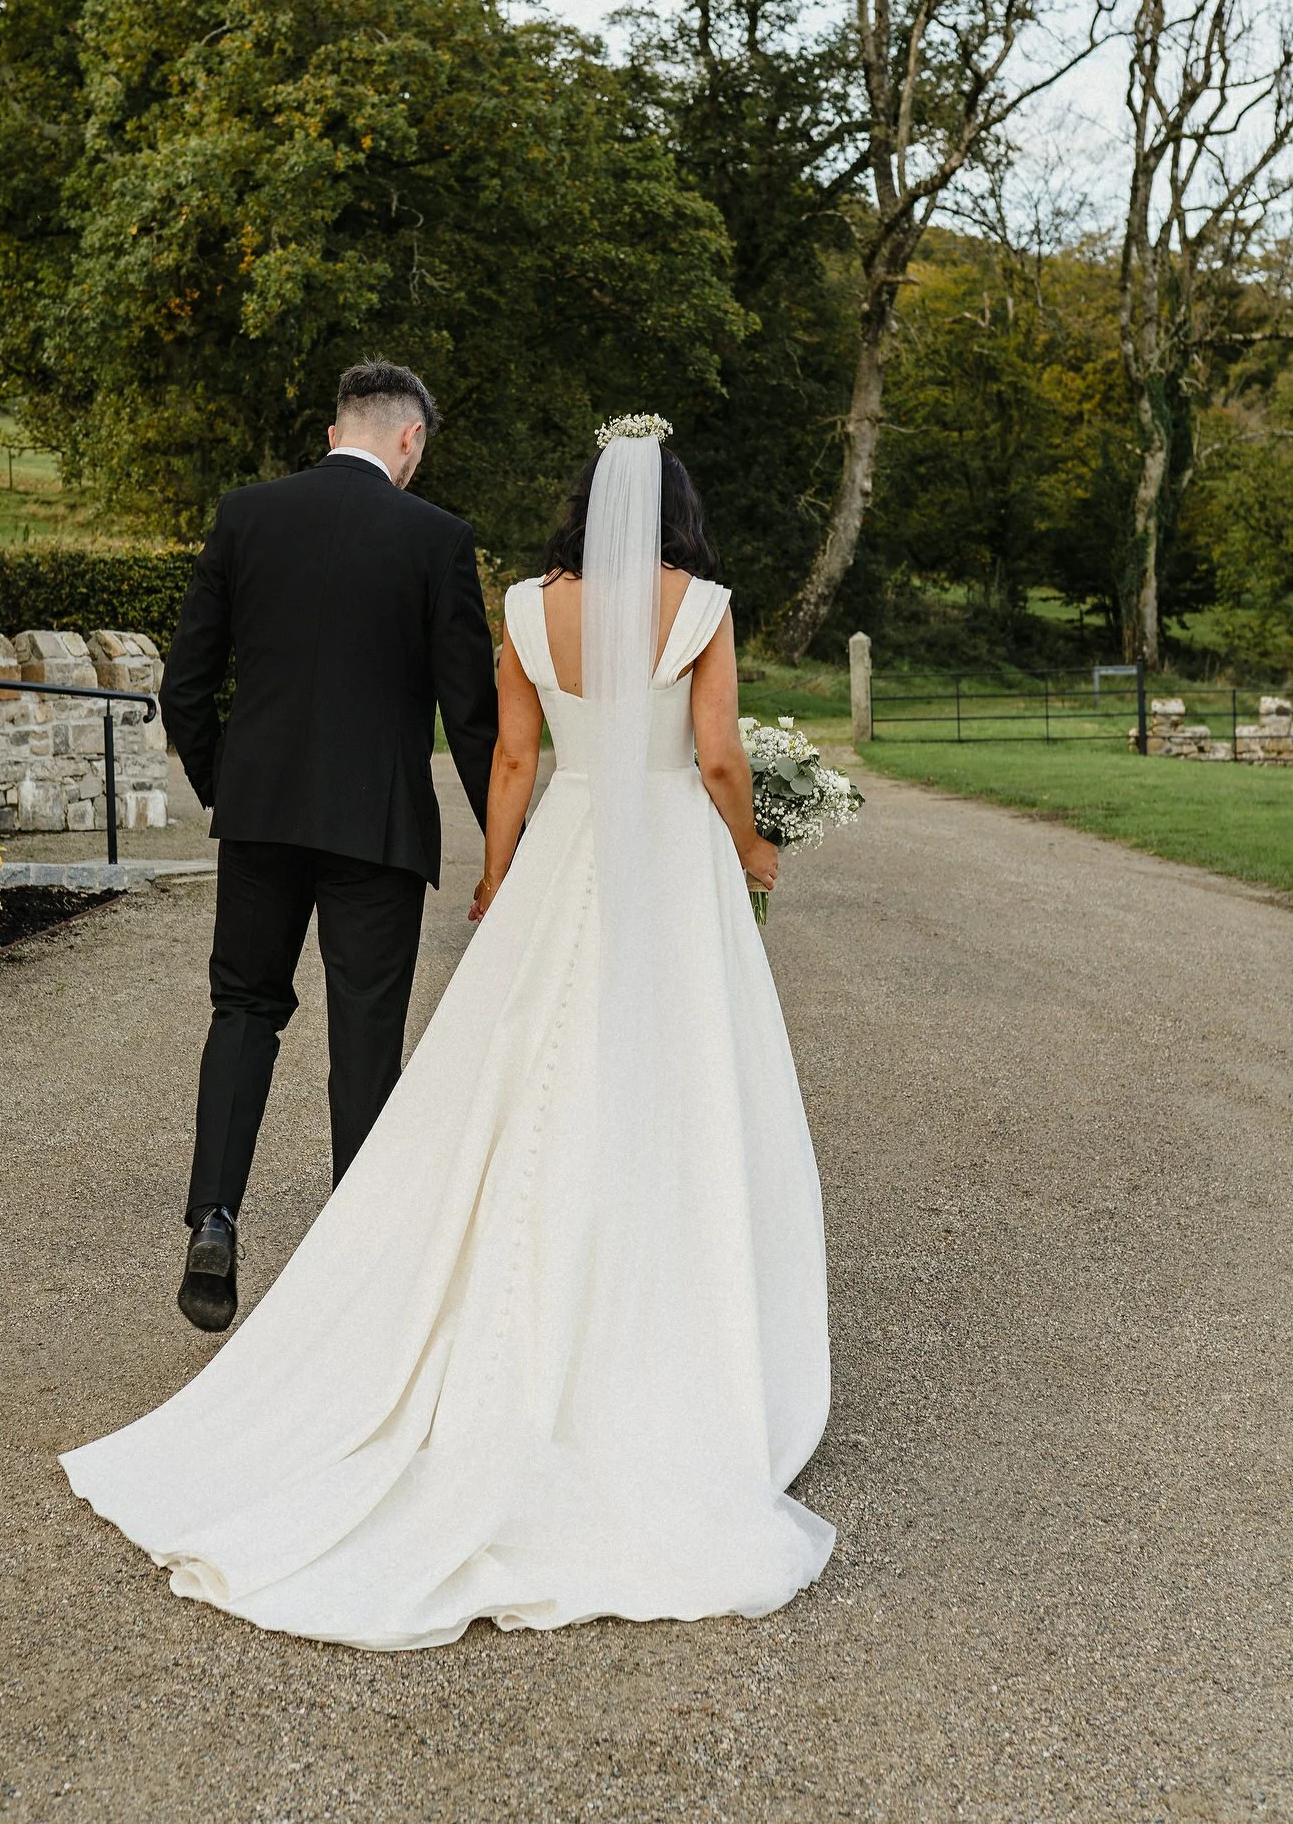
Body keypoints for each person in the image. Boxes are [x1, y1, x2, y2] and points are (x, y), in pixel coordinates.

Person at [63, 417, 833, 1646]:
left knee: (505, 1076)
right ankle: (663, 1316)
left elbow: (513, 757)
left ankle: (332, 1260)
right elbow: (721, 755)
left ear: (585, 502)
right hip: (671, 872)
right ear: (677, 508)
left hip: (553, 848)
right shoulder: (703, 605)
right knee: (679, 1076)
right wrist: (750, 844)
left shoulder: (528, 605)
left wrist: (500, 876)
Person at [157, 361, 498, 1332]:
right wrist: (509, 845)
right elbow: (471, 719)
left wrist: (235, 789)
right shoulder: (438, 541)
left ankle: (215, 1217)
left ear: (333, 430)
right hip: (378, 829)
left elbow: (186, 687)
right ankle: (359, 1266)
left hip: (262, 817)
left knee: (244, 1010)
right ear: (410, 441)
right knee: (365, 1039)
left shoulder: (247, 515)